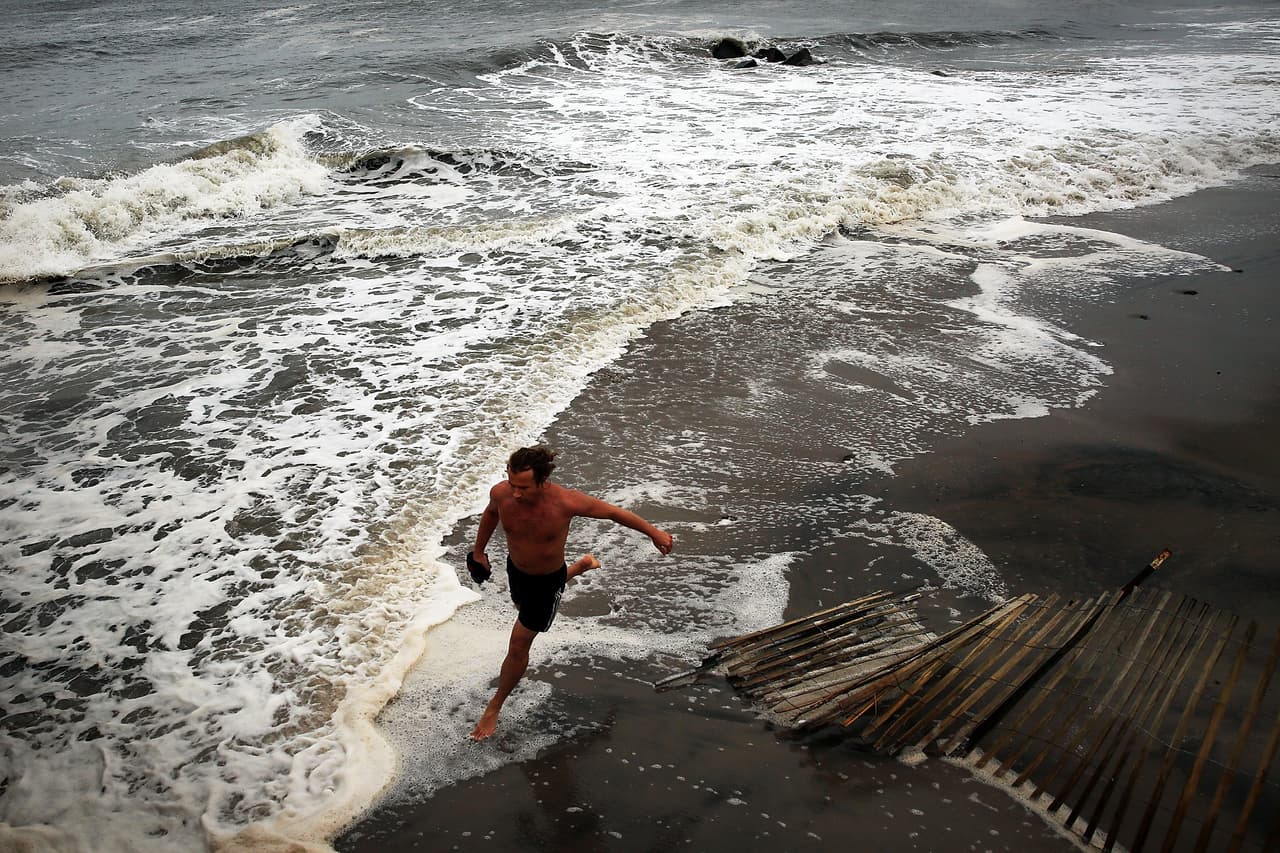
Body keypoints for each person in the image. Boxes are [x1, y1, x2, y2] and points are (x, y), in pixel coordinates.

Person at [467, 445, 674, 741]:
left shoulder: (566, 502)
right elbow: (490, 514)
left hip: (547, 581)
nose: (515, 493)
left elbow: (615, 513)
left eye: (523, 487)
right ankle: (583, 565)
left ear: (542, 481)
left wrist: (654, 533)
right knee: (519, 605)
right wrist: (479, 552)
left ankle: (494, 707)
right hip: (517, 571)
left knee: (518, 644)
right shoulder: (501, 493)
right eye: (512, 483)